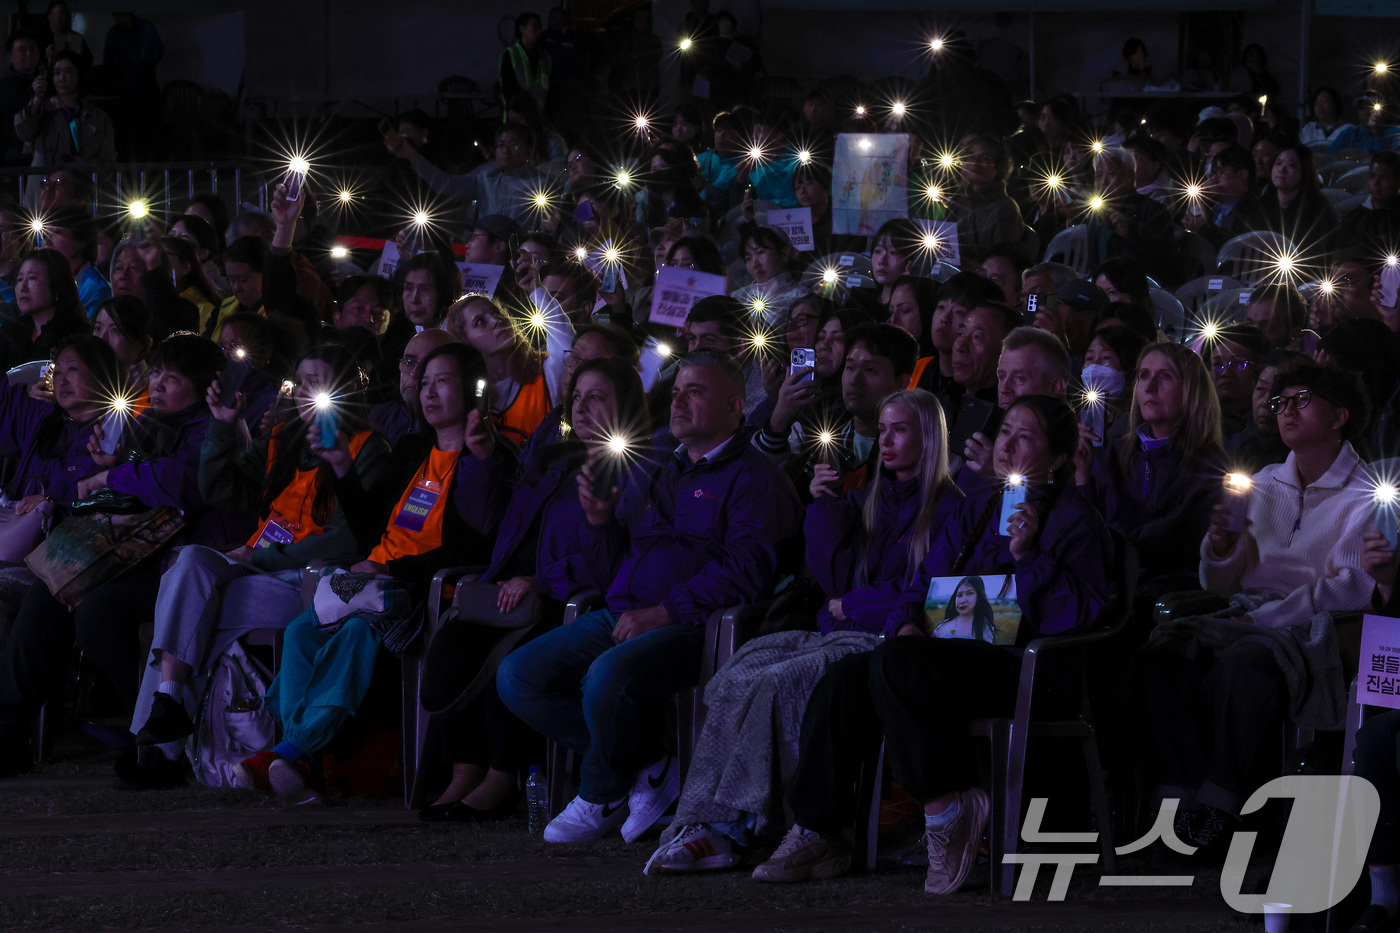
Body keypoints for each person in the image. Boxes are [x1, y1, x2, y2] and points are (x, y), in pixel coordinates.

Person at [758, 394, 1112, 891]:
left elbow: (1073, 616)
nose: (1007, 446)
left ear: (1056, 458)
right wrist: (907, 620)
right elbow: (922, 585)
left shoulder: (1075, 520)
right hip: (949, 657)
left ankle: (946, 811)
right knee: (846, 679)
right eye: (1005, 432)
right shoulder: (977, 512)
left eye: (1025, 437)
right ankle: (819, 829)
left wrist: (1028, 559)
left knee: (902, 661)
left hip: (1025, 672)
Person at [642, 389, 961, 872]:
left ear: (929, 436)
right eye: (885, 427)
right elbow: (831, 575)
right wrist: (827, 507)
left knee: (780, 682)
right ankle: (705, 822)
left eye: (901, 429)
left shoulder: (948, 507)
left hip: (887, 640)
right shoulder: (869, 498)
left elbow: (926, 592)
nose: (887, 439)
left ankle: (741, 826)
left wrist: (851, 604)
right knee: (736, 671)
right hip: (836, 628)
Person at [497, 350, 802, 844]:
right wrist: (598, 521)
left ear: (735, 407)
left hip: (695, 625)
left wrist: (664, 612)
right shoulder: (657, 458)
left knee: (606, 676)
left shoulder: (754, 477)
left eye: (695, 392)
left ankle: (601, 790)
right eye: (676, 391)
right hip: (622, 609)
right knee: (518, 676)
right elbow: (613, 556)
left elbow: (747, 571)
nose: (678, 401)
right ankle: (650, 759)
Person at [233, 342, 513, 802]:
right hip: (373, 576)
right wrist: (342, 466)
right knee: (304, 630)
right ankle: (300, 756)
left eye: (442, 381)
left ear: (470, 389)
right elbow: (369, 533)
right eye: (424, 383)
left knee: (357, 633)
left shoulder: (488, 459)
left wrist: (388, 566)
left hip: (419, 589)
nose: (430, 392)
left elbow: (472, 546)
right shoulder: (411, 451)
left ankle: (294, 752)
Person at [122, 344, 392, 787]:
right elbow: (222, 491)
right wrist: (225, 427)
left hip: (303, 580)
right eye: (301, 381)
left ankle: (155, 749)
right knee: (189, 563)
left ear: (343, 390)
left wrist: (262, 557)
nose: (307, 391)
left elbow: (349, 538)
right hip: (256, 567)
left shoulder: (366, 448)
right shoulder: (283, 437)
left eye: (319, 382)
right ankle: (168, 704)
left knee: (186, 612)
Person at [1140, 360, 1373, 852]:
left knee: (1244, 666)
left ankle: (1223, 806)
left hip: (1313, 627)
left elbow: (1352, 587)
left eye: (1302, 400)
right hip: (1246, 614)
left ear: (1339, 416)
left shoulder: (1366, 494)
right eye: (1279, 402)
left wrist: (1265, 618)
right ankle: (1181, 802)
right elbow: (1222, 585)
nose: (1286, 411)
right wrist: (1220, 549)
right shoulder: (1264, 481)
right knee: (1164, 657)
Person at [419, 357, 651, 822]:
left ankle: (504, 777)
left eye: (597, 397)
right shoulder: (553, 458)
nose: (582, 407)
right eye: (577, 397)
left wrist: (542, 581)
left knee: (510, 662)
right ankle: (466, 769)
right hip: (505, 589)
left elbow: (617, 562)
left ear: (624, 405)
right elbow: (492, 520)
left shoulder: (632, 467)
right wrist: (482, 461)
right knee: (451, 648)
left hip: (564, 600)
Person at [0, 334, 237, 776]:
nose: (160, 384)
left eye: (174, 377)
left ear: (206, 386)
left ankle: (150, 730)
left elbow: (184, 483)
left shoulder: (213, 426)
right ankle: (10, 731)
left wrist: (114, 475)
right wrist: (117, 472)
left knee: (97, 611)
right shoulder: (146, 424)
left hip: (195, 561)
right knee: (50, 589)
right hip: (139, 553)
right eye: (156, 373)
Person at [1076, 342, 1225, 600]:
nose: (1150, 386)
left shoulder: (1209, 468)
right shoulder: (1115, 450)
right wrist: (1081, 476)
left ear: (1191, 390)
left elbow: (1161, 548)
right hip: (1099, 579)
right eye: (1144, 375)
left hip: (1150, 595)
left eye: (1165, 376)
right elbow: (1083, 530)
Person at [0, 334, 114, 641]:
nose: (62, 380)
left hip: (53, 566)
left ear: (102, 375)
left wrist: (53, 503)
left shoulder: (114, 437)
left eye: (73, 370)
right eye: (58, 372)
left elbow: (109, 514)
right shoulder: (42, 417)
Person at [755, 323, 918, 489]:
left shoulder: (913, 450)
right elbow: (758, 478)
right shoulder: (817, 425)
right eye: (850, 367)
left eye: (869, 370)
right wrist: (780, 415)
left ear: (901, 383)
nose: (854, 380)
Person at [387, 122, 547, 226]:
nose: (505, 151)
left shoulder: (541, 184)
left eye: (514, 146)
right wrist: (411, 155)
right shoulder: (486, 177)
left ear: (530, 151)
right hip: (488, 251)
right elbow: (447, 185)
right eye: (500, 145)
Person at [449, 294, 553, 445]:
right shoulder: (470, 401)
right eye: (480, 321)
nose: (496, 321)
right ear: (465, 341)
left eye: (496, 312)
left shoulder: (544, 369)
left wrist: (537, 291)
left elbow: (566, 343)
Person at [15, 49, 113, 203]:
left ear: (79, 75)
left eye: (68, 72)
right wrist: (36, 100)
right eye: (57, 73)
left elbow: (108, 159)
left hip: (82, 191)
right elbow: (24, 132)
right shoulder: (43, 108)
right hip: (45, 190)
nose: (62, 78)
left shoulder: (98, 117)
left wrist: (85, 165)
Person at [1085, 145, 1174, 282]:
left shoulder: (1154, 210)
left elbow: (1160, 263)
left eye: (1111, 173)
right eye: (1098, 176)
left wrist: (1128, 233)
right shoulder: (1095, 213)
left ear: (1129, 177)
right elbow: (1094, 263)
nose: (1103, 181)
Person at [0, 247, 89, 370]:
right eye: (20, 279)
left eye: (32, 278)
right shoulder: (11, 332)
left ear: (56, 284)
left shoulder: (76, 337)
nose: (22, 287)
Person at [948, 133, 1024, 258]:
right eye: (971, 156)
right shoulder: (961, 201)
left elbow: (1002, 261)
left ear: (999, 166)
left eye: (985, 157)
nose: (975, 163)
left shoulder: (1005, 208)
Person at [102, 13, 162, 160]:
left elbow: (158, 51)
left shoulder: (145, 28)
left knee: (148, 132)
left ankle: (149, 165)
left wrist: (146, 65)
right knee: (127, 133)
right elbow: (107, 60)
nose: (118, 18)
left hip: (146, 90)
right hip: (125, 91)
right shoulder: (115, 33)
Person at [1258, 142, 1339, 245]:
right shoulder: (1263, 204)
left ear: (1304, 171)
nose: (1282, 169)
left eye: (1291, 165)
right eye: (1278, 163)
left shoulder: (1318, 209)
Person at [731, 226, 807, 328]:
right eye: (748, 258)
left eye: (760, 253)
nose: (755, 264)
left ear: (784, 253)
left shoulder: (800, 297)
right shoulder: (739, 297)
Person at [42, 206, 109, 318]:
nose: (47, 241)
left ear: (81, 240)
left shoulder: (97, 291)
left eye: (56, 233)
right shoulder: (49, 283)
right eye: (45, 235)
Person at [1209, 323, 1270, 437]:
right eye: (1217, 364)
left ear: (1259, 368)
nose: (1225, 372)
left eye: (1238, 364)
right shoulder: (1198, 425)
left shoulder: (1269, 425)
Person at [0, 31, 40, 165]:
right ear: (11, 56)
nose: (29, 54)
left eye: (33, 49)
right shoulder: (5, 86)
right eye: (22, 50)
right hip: (15, 155)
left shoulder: (46, 82)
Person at [499, 12, 551, 111]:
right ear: (522, 28)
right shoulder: (511, 54)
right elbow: (508, 86)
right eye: (535, 27)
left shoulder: (544, 56)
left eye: (540, 27)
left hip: (541, 112)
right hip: (519, 111)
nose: (539, 31)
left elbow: (550, 84)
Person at [931, 576, 995, 641]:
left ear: (978, 597)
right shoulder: (942, 625)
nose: (962, 600)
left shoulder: (984, 629)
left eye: (969, 593)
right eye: (959, 595)